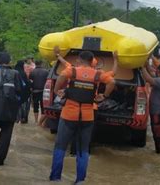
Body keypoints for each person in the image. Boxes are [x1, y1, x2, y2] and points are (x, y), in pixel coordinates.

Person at [49, 51, 115, 183]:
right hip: (87, 117)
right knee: (83, 149)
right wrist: (104, 96)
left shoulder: (72, 71)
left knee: (60, 146)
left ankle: (55, 178)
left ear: (79, 59)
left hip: (68, 115)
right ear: (92, 62)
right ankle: (80, 180)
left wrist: (56, 91)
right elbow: (112, 81)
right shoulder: (97, 74)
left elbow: (61, 76)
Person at [142, 63, 160, 153]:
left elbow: (148, 79)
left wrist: (141, 67)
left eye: (156, 70)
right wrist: (146, 65)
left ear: (158, 71)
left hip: (159, 113)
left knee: (159, 139)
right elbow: (152, 75)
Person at [29, 60, 49, 124]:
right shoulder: (46, 72)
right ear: (41, 63)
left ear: (35, 64)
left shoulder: (32, 72)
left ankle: (36, 121)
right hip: (44, 92)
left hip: (35, 91)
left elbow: (30, 82)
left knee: (35, 106)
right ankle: (42, 122)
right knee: (43, 106)